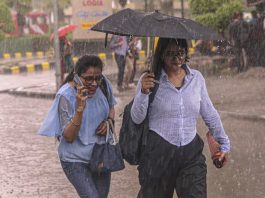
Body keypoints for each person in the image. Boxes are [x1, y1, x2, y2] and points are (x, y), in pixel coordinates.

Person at [130, 38, 230, 198]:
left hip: (191, 155)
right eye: (170, 54)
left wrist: (224, 143)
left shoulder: (196, 78)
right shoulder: (149, 79)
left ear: (186, 53)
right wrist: (143, 92)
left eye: (180, 53)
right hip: (158, 156)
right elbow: (136, 117)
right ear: (161, 55)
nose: (176, 58)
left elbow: (209, 113)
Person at [38, 55, 117, 198]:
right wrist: (80, 109)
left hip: (100, 155)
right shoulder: (65, 96)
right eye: (88, 79)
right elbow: (68, 137)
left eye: (97, 78)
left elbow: (111, 106)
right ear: (77, 77)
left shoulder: (104, 84)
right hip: (74, 160)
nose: (94, 83)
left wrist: (109, 121)